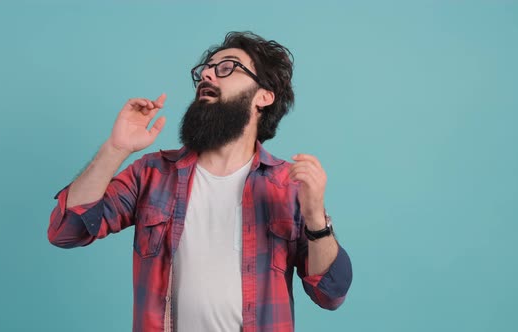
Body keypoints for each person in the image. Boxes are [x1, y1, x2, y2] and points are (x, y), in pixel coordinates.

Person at [48, 31, 353, 332]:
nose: (207, 74)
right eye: (206, 69)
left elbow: (330, 293)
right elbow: (66, 230)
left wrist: (315, 217)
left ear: (264, 96)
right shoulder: (153, 173)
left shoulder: (287, 186)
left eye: (226, 67)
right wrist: (115, 149)